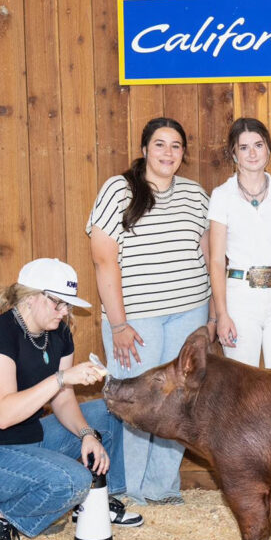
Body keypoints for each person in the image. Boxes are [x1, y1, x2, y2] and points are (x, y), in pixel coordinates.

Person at [0, 258, 142, 540]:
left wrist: (87, 433)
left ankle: (97, 499)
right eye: (57, 303)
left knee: (109, 412)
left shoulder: (59, 333)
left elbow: (63, 400)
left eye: (68, 305)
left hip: (29, 438)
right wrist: (61, 378)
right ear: (29, 297)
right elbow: (3, 415)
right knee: (73, 481)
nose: (64, 312)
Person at [87, 117, 214, 506]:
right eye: (160, 145)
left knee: (180, 399)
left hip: (190, 310)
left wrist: (211, 317)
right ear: (144, 149)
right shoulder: (118, 189)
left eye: (176, 146)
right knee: (135, 399)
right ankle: (130, 491)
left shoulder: (195, 194)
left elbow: (209, 254)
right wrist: (119, 323)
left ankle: (162, 488)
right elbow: (103, 261)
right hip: (136, 319)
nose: (168, 153)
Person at [208, 117, 271, 370]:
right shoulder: (222, 196)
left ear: (268, 149)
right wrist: (222, 315)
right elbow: (217, 260)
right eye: (243, 147)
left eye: (258, 145)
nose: (252, 153)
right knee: (241, 386)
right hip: (240, 297)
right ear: (234, 154)